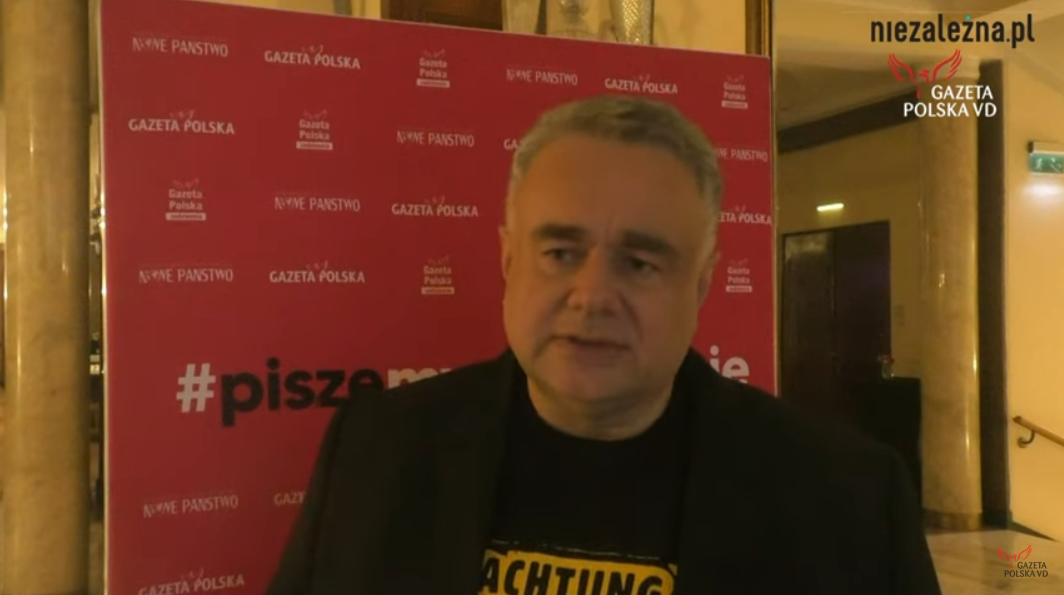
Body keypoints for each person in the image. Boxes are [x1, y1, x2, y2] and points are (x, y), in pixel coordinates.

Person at [265, 95, 942, 595]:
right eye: (560, 252)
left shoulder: (849, 499)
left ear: (701, 284)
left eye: (640, 263)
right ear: (509, 261)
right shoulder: (374, 449)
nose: (591, 296)